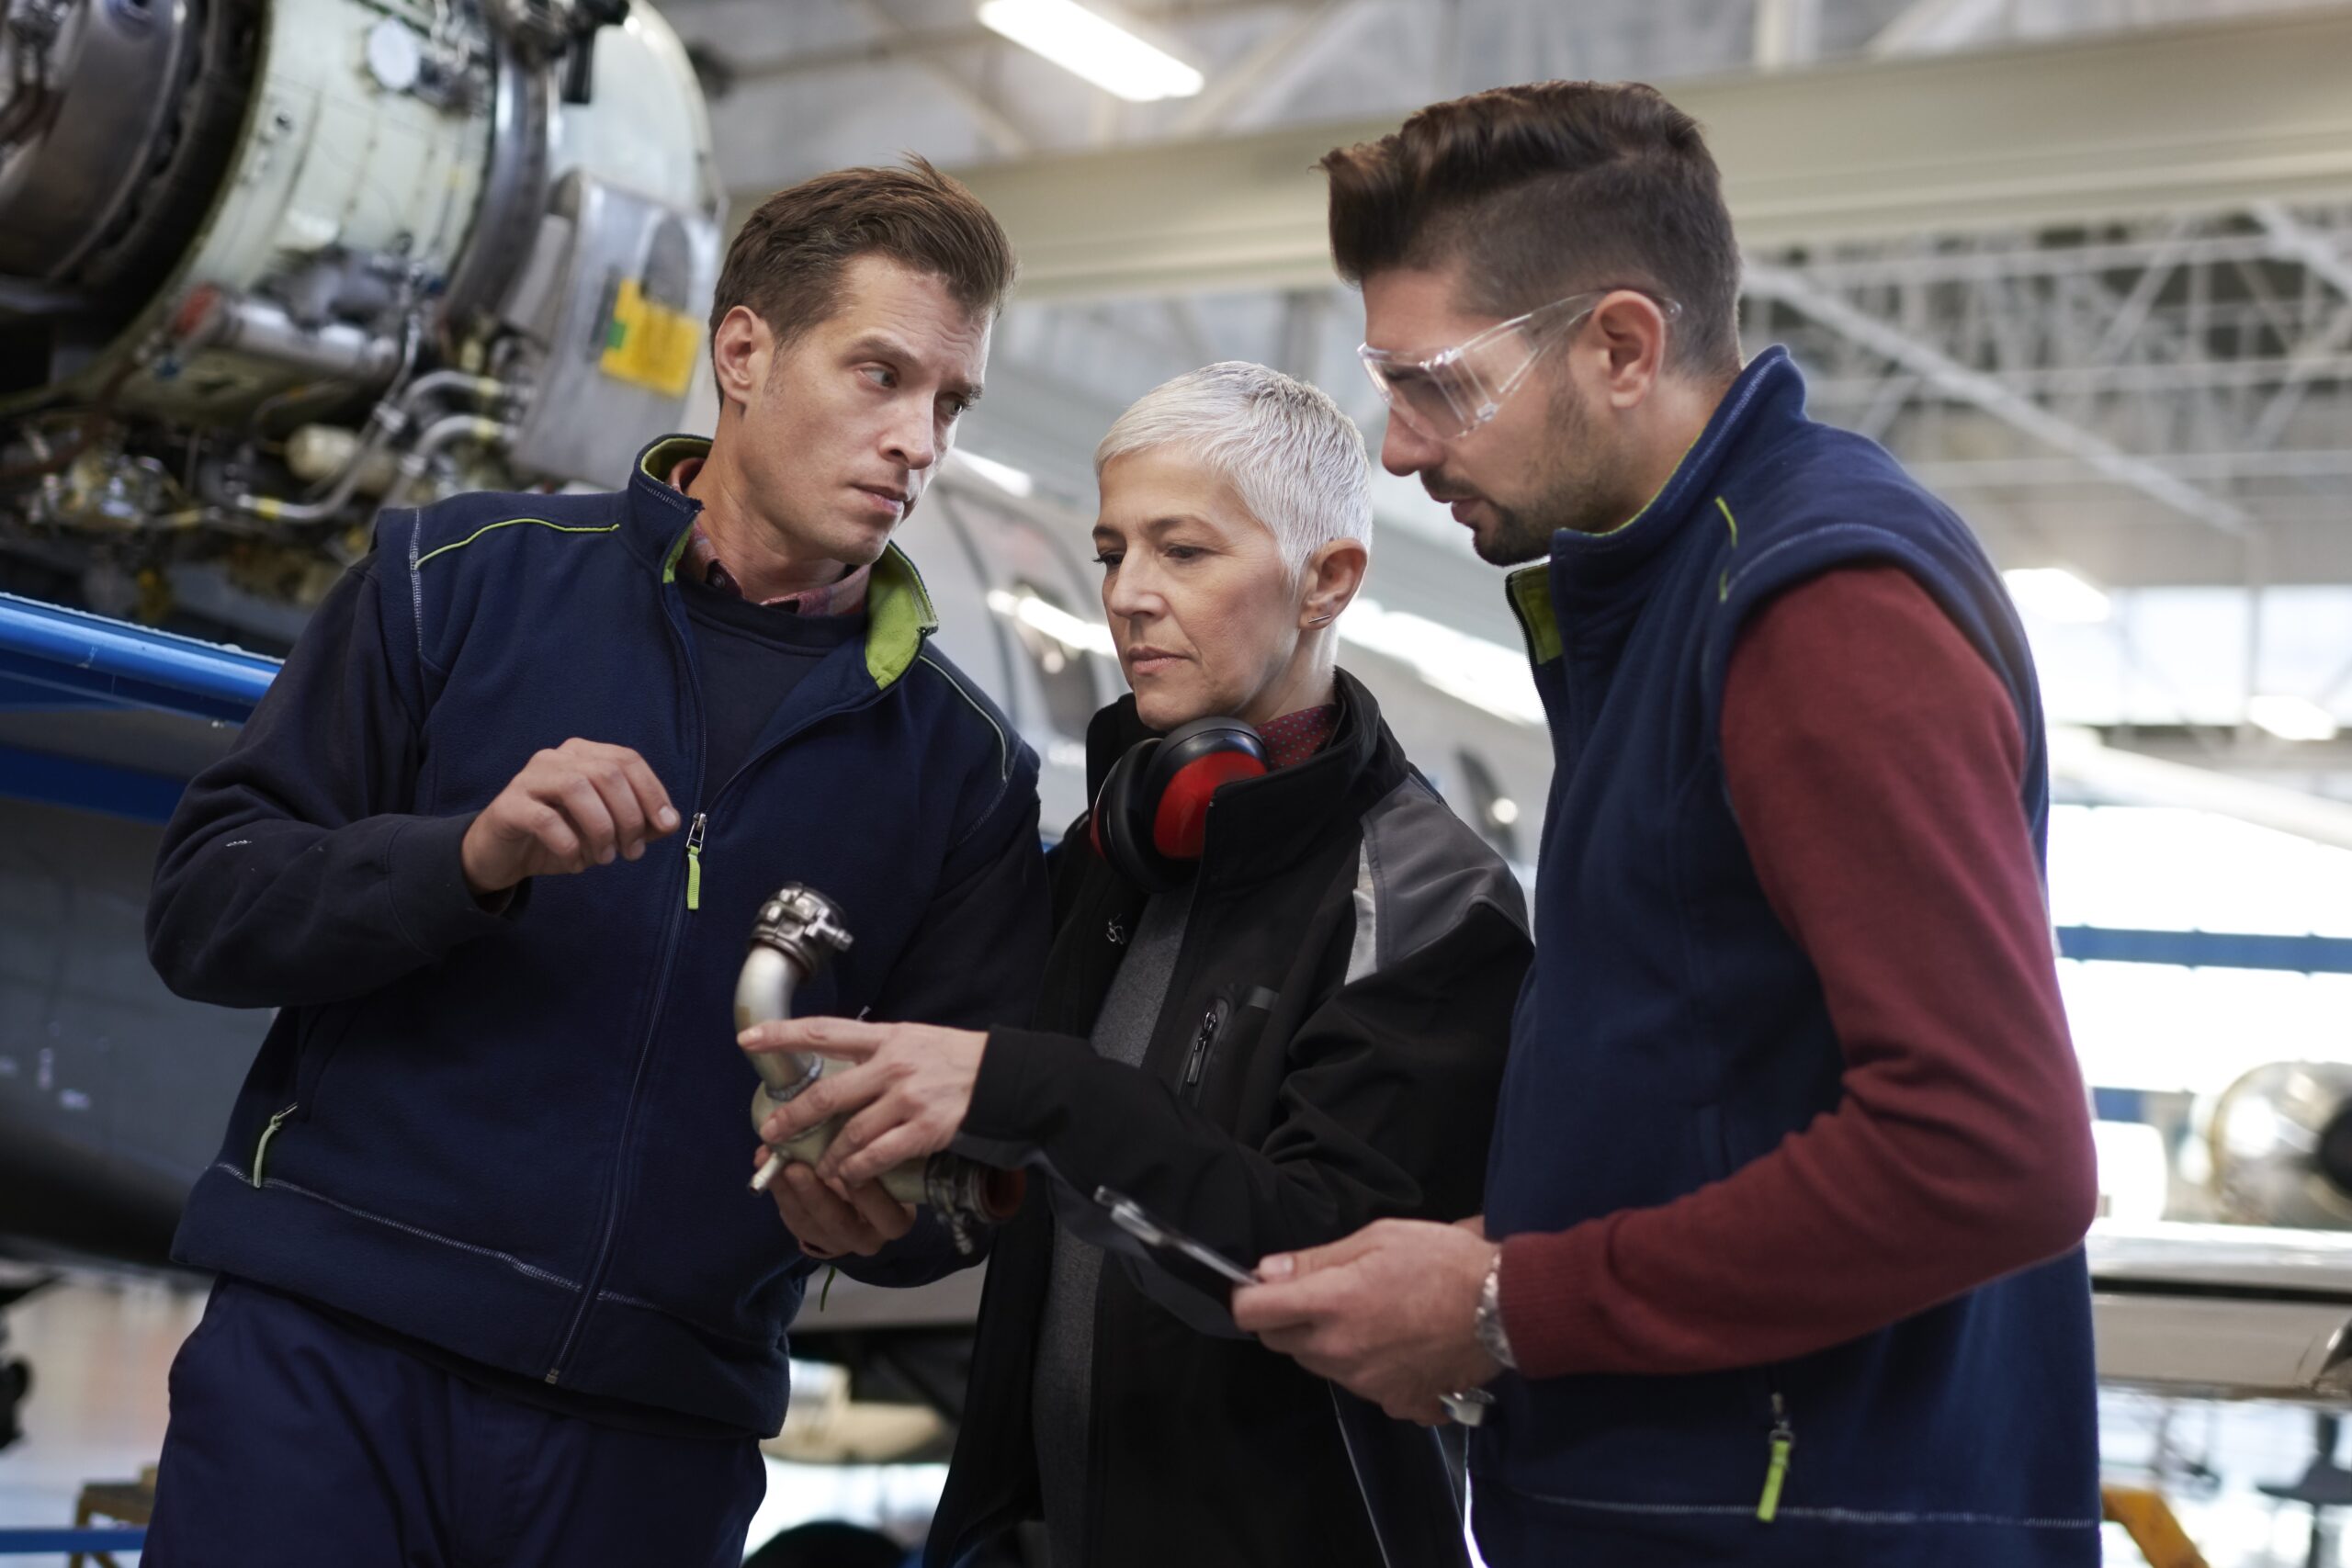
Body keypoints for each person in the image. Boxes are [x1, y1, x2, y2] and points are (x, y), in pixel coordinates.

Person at [1230, 82, 2101, 1567]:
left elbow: (1992, 1152)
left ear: (1621, 346)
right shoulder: (1671, 598)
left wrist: (1510, 1304)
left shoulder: (1819, 608)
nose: (1395, 446)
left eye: (1435, 382)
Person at [140, 158, 1049, 1566]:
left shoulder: (968, 772)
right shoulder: (455, 580)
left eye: (949, 402)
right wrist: (468, 859)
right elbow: (206, 910)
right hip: (329, 1371)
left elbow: (961, 1178)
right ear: (742, 350)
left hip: (653, 1443)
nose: (918, 441)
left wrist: (882, 1216)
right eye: (880, 376)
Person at [740, 362, 1532, 1568]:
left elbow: (1313, 1269)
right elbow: (1033, 1206)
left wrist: (1031, 1090)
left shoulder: (1432, 906)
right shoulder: (1117, 851)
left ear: (1328, 580)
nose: (1131, 598)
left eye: (1186, 552)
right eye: (1114, 553)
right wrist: (882, 1211)